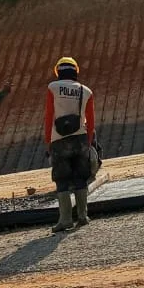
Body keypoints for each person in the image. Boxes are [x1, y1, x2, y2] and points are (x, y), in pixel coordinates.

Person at [43, 57, 100, 232]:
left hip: (58, 140)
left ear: (58, 71)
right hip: (81, 138)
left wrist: (48, 141)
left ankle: (65, 220)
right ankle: (83, 216)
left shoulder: (52, 88)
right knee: (80, 177)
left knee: (62, 179)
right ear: (75, 71)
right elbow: (90, 120)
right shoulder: (86, 91)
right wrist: (88, 141)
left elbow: (49, 115)